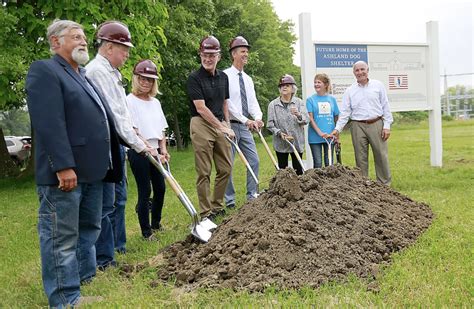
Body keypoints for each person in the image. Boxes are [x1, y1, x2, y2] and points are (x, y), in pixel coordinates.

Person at [26, 19, 122, 307]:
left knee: (88, 230)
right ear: (56, 42)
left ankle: (81, 284)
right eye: (75, 37)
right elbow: (48, 123)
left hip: (92, 171)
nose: (83, 41)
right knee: (61, 237)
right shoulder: (45, 71)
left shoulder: (82, 76)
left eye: (84, 37)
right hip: (66, 173)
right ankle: (65, 298)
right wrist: (62, 165)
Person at [86, 21, 157, 269]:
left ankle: (117, 247)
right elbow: (112, 116)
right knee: (107, 203)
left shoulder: (112, 73)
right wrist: (139, 145)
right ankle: (105, 258)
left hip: (118, 143)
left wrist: (137, 135)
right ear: (108, 47)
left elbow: (122, 113)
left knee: (119, 198)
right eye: (123, 48)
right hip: (105, 144)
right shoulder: (97, 72)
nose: (127, 54)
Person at [186, 35, 235, 221]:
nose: (208, 59)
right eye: (204, 55)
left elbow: (224, 102)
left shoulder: (224, 77)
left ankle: (217, 205)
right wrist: (221, 127)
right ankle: (206, 212)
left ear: (219, 56)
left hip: (221, 123)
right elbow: (201, 108)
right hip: (201, 123)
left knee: (226, 169)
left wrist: (227, 125)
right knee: (204, 171)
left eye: (212, 55)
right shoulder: (194, 78)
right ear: (200, 55)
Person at [331, 61, 393, 185]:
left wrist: (387, 126)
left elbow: (385, 106)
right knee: (360, 158)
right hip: (357, 125)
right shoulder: (350, 90)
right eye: (357, 70)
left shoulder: (378, 85)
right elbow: (345, 113)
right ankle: (364, 185)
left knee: (381, 156)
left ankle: (384, 185)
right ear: (354, 73)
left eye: (362, 69)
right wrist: (337, 129)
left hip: (376, 123)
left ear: (367, 70)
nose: (360, 72)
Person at [127, 59, 169, 241]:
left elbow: (162, 130)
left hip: (156, 151)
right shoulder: (129, 101)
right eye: (142, 78)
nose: (146, 82)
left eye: (150, 80)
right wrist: (148, 148)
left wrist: (163, 150)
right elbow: (134, 131)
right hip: (139, 151)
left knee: (161, 188)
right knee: (145, 190)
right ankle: (146, 232)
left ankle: (156, 224)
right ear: (136, 78)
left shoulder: (156, 103)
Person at [223, 36, 264, 208]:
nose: (246, 54)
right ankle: (230, 201)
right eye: (242, 51)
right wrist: (245, 119)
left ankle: (252, 195)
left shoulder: (247, 79)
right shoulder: (224, 75)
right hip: (230, 126)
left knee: (254, 160)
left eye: (247, 51)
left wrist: (258, 118)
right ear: (234, 54)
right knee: (228, 165)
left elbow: (253, 102)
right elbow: (227, 103)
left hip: (245, 127)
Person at [267, 74, 309, 175]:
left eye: (287, 85)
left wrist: (298, 115)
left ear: (293, 89)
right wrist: (279, 133)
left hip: (297, 142)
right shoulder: (273, 104)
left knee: (298, 170)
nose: (284, 87)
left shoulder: (299, 102)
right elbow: (269, 124)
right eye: (282, 86)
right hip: (280, 143)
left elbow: (306, 120)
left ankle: (299, 189)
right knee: (283, 172)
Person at [306, 73, 340, 168]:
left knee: (329, 163)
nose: (316, 84)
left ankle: (330, 183)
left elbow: (336, 117)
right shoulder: (310, 100)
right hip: (315, 137)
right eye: (315, 82)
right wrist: (320, 133)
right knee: (318, 163)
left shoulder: (332, 99)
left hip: (330, 136)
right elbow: (311, 119)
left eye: (319, 82)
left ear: (325, 84)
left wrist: (337, 136)